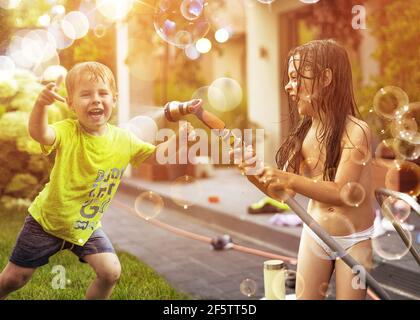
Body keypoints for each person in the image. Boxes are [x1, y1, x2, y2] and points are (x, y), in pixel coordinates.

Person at [0, 61, 193, 300]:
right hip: (47, 222)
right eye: (85, 95)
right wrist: (40, 105)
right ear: (70, 103)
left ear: (114, 99)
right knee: (13, 279)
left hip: (85, 226)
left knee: (110, 272)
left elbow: (156, 157)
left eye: (103, 93)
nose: (96, 100)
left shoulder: (124, 139)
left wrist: (179, 142)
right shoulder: (68, 131)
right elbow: (40, 133)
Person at [240, 39, 374, 300]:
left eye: (295, 77)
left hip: (355, 240)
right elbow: (280, 192)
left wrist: (284, 176)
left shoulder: (357, 131)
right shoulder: (304, 132)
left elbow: (341, 192)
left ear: (325, 78)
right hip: (316, 235)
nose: (288, 86)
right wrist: (252, 173)